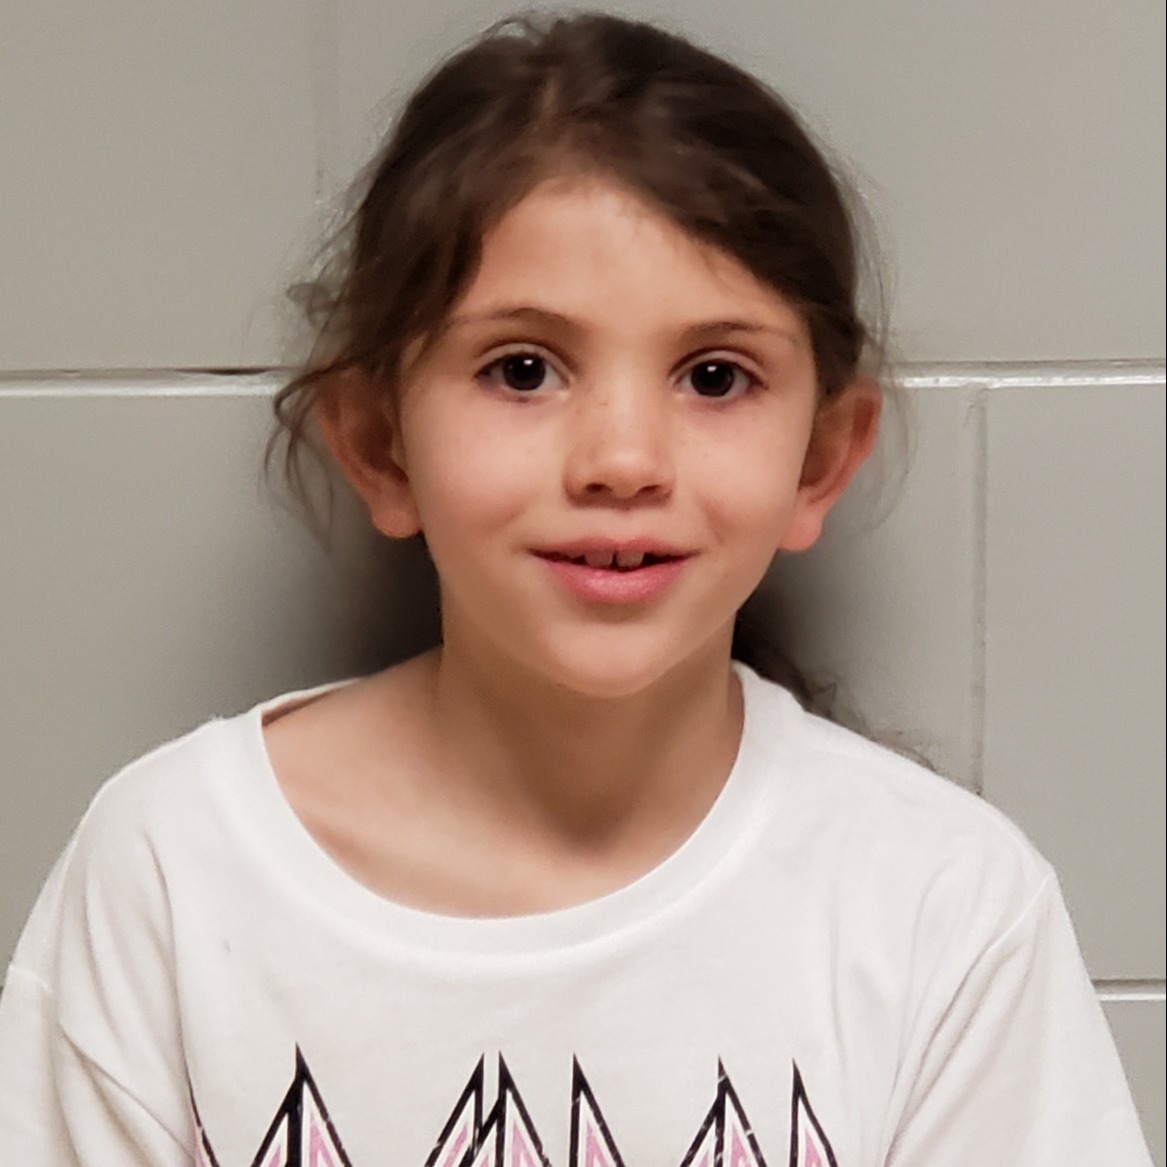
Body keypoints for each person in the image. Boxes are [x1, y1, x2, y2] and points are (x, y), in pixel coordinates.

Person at [0, 11, 1152, 1166]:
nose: (622, 460)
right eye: (523, 369)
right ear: (379, 445)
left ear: (819, 463)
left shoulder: (942, 908)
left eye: (715, 375)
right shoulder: (174, 872)